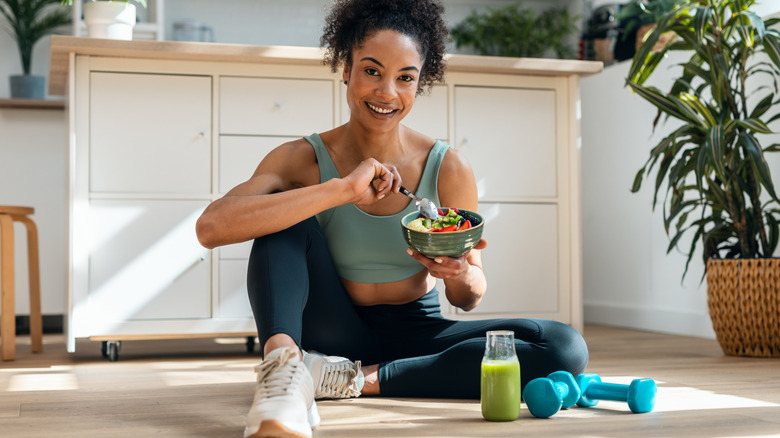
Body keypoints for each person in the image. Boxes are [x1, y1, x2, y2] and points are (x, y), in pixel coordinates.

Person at [195, 0, 589, 437]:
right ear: (346, 68)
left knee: (563, 347)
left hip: (417, 331)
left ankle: (346, 380)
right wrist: (338, 190)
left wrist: (457, 272)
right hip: (331, 328)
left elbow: (469, 297)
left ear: (420, 84)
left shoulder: (448, 166)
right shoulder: (300, 158)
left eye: (406, 78)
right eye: (371, 71)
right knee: (284, 218)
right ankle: (284, 374)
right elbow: (211, 227)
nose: (387, 92)